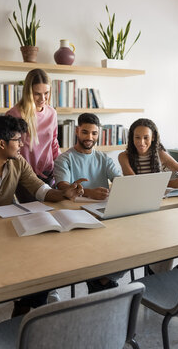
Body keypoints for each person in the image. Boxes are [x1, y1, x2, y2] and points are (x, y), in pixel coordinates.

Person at [0, 115, 83, 349]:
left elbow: (40, 189)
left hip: (9, 228)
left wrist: (64, 194)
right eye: (18, 140)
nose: (22, 145)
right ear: (2, 144)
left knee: (45, 262)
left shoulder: (18, 162)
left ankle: (23, 306)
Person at [118, 118, 178, 272]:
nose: (141, 142)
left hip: (163, 208)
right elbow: (136, 182)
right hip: (139, 211)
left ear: (153, 137)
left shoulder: (160, 154)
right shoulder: (124, 156)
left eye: (146, 137)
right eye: (137, 137)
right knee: (165, 239)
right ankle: (157, 274)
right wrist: (169, 183)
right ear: (131, 138)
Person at [54, 113, 125, 293]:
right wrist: (88, 192)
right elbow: (64, 187)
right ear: (77, 131)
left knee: (128, 245)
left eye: (94, 133)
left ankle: (101, 280)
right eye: (85, 132)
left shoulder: (103, 158)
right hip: (76, 216)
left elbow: (120, 180)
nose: (89, 138)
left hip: (103, 215)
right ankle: (101, 281)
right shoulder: (64, 158)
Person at [6, 68, 60, 203]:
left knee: (52, 213)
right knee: (33, 216)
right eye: (37, 94)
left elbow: (53, 142)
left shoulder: (52, 113)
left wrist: (60, 167)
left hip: (48, 173)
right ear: (28, 92)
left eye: (46, 93)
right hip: (25, 176)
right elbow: (10, 149)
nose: (43, 99)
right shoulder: (14, 115)